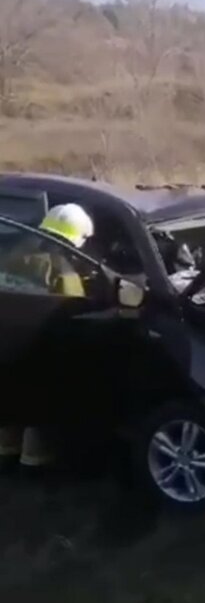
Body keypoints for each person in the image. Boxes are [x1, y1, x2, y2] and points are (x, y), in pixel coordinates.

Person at [0, 204, 94, 476]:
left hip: (6, 346)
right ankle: (34, 464)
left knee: (9, 407)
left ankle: (6, 456)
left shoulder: (13, 255)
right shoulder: (62, 270)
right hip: (39, 351)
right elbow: (75, 310)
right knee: (37, 413)